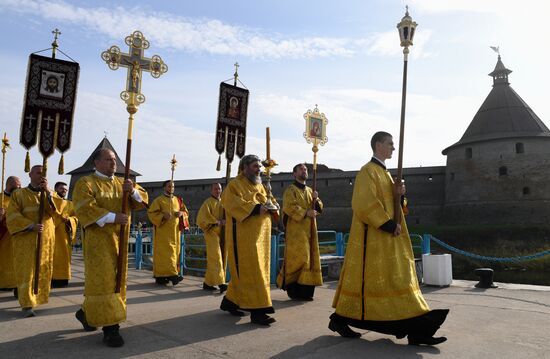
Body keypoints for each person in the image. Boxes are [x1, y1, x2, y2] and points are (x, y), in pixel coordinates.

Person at [329, 131, 449, 345]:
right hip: (374, 241)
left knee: (396, 281)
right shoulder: (367, 172)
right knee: (377, 284)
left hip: (390, 240)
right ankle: (341, 320)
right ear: (378, 145)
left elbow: (397, 207)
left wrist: (400, 194)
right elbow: (363, 203)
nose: (394, 148)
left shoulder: (386, 174)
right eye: (390, 144)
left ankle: (415, 328)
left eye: (394, 144)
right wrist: (388, 224)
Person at [72, 148, 148, 347]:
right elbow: (83, 207)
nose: (113, 163)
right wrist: (115, 218)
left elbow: (142, 201)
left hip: (120, 241)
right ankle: (111, 329)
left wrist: (131, 191)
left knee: (117, 281)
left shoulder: (122, 184)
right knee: (104, 283)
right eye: (108, 159)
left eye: (114, 160)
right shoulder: (85, 183)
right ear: (96, 162)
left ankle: (87, 313)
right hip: (99, 244)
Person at [219, 154, 279, 326]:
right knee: (253, 272)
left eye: (259, 166)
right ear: (244, 167)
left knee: (246, 273)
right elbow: (231, 203)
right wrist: (255, 209)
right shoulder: (234, 185)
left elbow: (268, 201)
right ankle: (258, 312)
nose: (259, 169)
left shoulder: (261, 185)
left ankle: (230, 302)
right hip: (244, 238)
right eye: (255, 166)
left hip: (261, 236)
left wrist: (274, 206)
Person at [6, 166, 61, 317]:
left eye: (43, 174)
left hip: (45, 239)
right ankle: (27, 304)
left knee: (42, 269)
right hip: (26, 240)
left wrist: (48, 194)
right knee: (27, 271)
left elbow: (55, 213)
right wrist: (30, 226)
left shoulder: (50, 193)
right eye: (37, 173)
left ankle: (38, 298)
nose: (40, 176)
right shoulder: (19, 194)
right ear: (30, 174)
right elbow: (12, 215)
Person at [276, 163, 323, 301]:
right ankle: (294, 291)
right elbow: (289, 207)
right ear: (294, 174)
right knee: (299, 260)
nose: (304, 171)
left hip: (310, 231)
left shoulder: (310, 190)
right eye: (301, 169)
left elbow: (319, 207)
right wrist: (306, 212)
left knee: (310, 260)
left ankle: (307, 292)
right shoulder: (290, 190)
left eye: (306, 169)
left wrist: (316, 199)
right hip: (296, 232)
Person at [147, 180, 188, 286]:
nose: (171, 188)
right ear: (164, 187)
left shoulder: (178, 200)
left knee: (174, 253)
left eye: (173, 186)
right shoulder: (158, 200)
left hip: (175, 232)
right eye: (169, 186)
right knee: (166, 254)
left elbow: (185, 212)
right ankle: (173, 275)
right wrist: (162, 216)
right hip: (163, 233)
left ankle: (161, 277)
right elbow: (151, 213)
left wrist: (181, 213)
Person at [196, 183, 227, 292]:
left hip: (223, 234)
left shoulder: (224, 202)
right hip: (211, 233)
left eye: (219, 188)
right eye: (215, 189)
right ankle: (221, 282)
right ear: (211, 190)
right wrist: (217, 222)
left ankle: (208, 283)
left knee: (222, 257)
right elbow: (201, 219)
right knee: (216, 256)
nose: (217, 190)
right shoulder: (207, 203)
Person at [51, 181, 78, 288]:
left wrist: (69, 220)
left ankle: (62, 279)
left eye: (66, 190)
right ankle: (50, 278)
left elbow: (76, 218)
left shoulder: (70, 204)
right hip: (52, 234)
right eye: (62, 189)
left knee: (64, 257)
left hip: (64, 236)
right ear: (56, 189)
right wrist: (59, 218)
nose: (64, 191)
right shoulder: (50, 202)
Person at [0, 176, 21, 297]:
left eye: (19, 185)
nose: (18, 187)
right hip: (3, 238)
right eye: (16, 185)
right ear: (8, 185)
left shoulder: (20, 199)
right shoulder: (0, 198)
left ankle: (15, 284)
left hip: (17, 236)